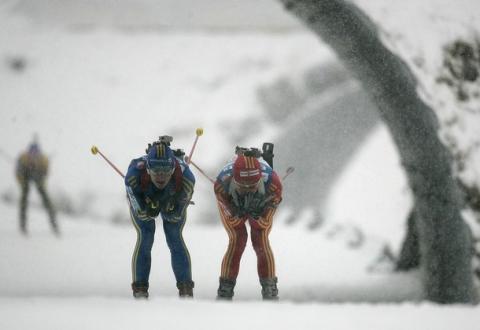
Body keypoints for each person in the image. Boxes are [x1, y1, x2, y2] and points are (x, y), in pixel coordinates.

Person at [125, 136, 195, 299]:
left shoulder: (187, 178)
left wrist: (172, 209)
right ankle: (140, 288)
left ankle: (185, 288)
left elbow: (177, 214)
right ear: (147, 168)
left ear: (173, 168)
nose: (161, 176)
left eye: (166, 171)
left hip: (173, 198)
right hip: (144, 198)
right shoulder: (133, 176)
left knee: (174, 236)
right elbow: (139, 210)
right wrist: (145, 209)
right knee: (146, 236)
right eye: (156, 171)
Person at [214, 147, 283, 300]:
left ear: (260, 180)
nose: (247, 190)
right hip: (231, 200)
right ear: (233, 180)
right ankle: (225, 289)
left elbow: (264, 225)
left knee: (261, 239)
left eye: (252, 186)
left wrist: (258, 216)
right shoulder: (221, 185)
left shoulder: (273, 184)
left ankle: (270, 288)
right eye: (242, 187)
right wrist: (236, 213)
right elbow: (232, 221)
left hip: (259, 198)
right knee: (238, 240)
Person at [15, 141, 58, 236]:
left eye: (36, 153)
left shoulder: (43, 160)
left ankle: (54, 225)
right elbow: (18, 172)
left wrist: (40, 178)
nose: (33, 155)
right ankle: (23, 226)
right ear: (28, 152)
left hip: (38, 178)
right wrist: (23, 182)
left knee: (46, 200)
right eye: (32, 152)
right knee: (24, 200)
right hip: (25, 178)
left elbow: (46, 172)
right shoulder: (23, 158)